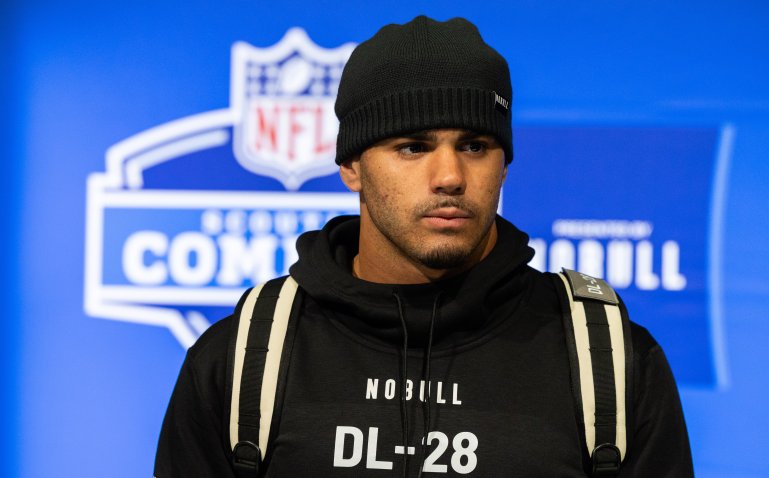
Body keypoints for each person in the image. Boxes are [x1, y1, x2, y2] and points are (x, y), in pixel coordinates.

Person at [154, 15, 693, 477]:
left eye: (475, 146)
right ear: (351, 167)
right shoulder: (245, 358)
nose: (450, 176)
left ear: (504, 163)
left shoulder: (608, 359)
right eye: (412, 147)